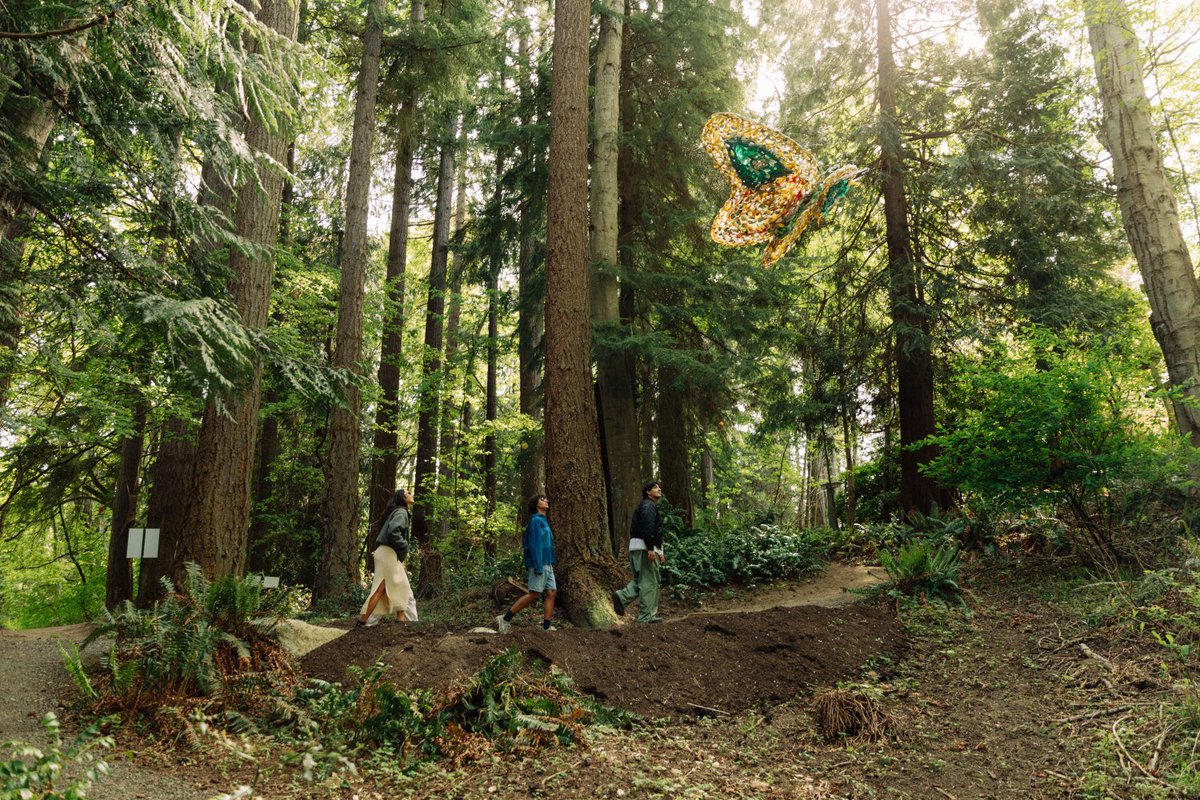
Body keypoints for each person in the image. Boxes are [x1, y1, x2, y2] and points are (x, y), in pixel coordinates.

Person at [356, 489, 418, 627]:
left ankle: (402, 623)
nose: (411, 494)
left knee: (403, 586)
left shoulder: (399, 512)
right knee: (380, 589)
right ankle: (362, 622)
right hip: (387, 554)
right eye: (408, 492)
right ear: (403, 497)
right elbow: (393, 530)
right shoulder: (402, 512)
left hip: (386, 553)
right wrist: (404, 544)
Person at [496, 494, 557, 633]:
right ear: (536, 504)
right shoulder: (535, 521)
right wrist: (537, 565)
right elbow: (534, 545)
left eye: (546, 499)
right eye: (543, 499)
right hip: (539, 563)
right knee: (534, 593)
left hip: (548, 563)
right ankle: (505, 619)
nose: (547, 500)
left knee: (551, 593)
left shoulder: (544, 520)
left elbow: (548, 544)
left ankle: (547, 627)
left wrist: (550, 562)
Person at [612, 481, 665, 624]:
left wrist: (659, 551)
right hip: (644, 548)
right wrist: (650, 548)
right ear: (648, 492)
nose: (659, 489)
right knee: (650, 582)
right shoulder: (648, 506)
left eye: (659, 487)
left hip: (637, 548)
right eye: (655, 487)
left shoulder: (647, 506)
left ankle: (622, 597)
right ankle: (646, 618)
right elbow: (648, 528)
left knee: (641, 580)